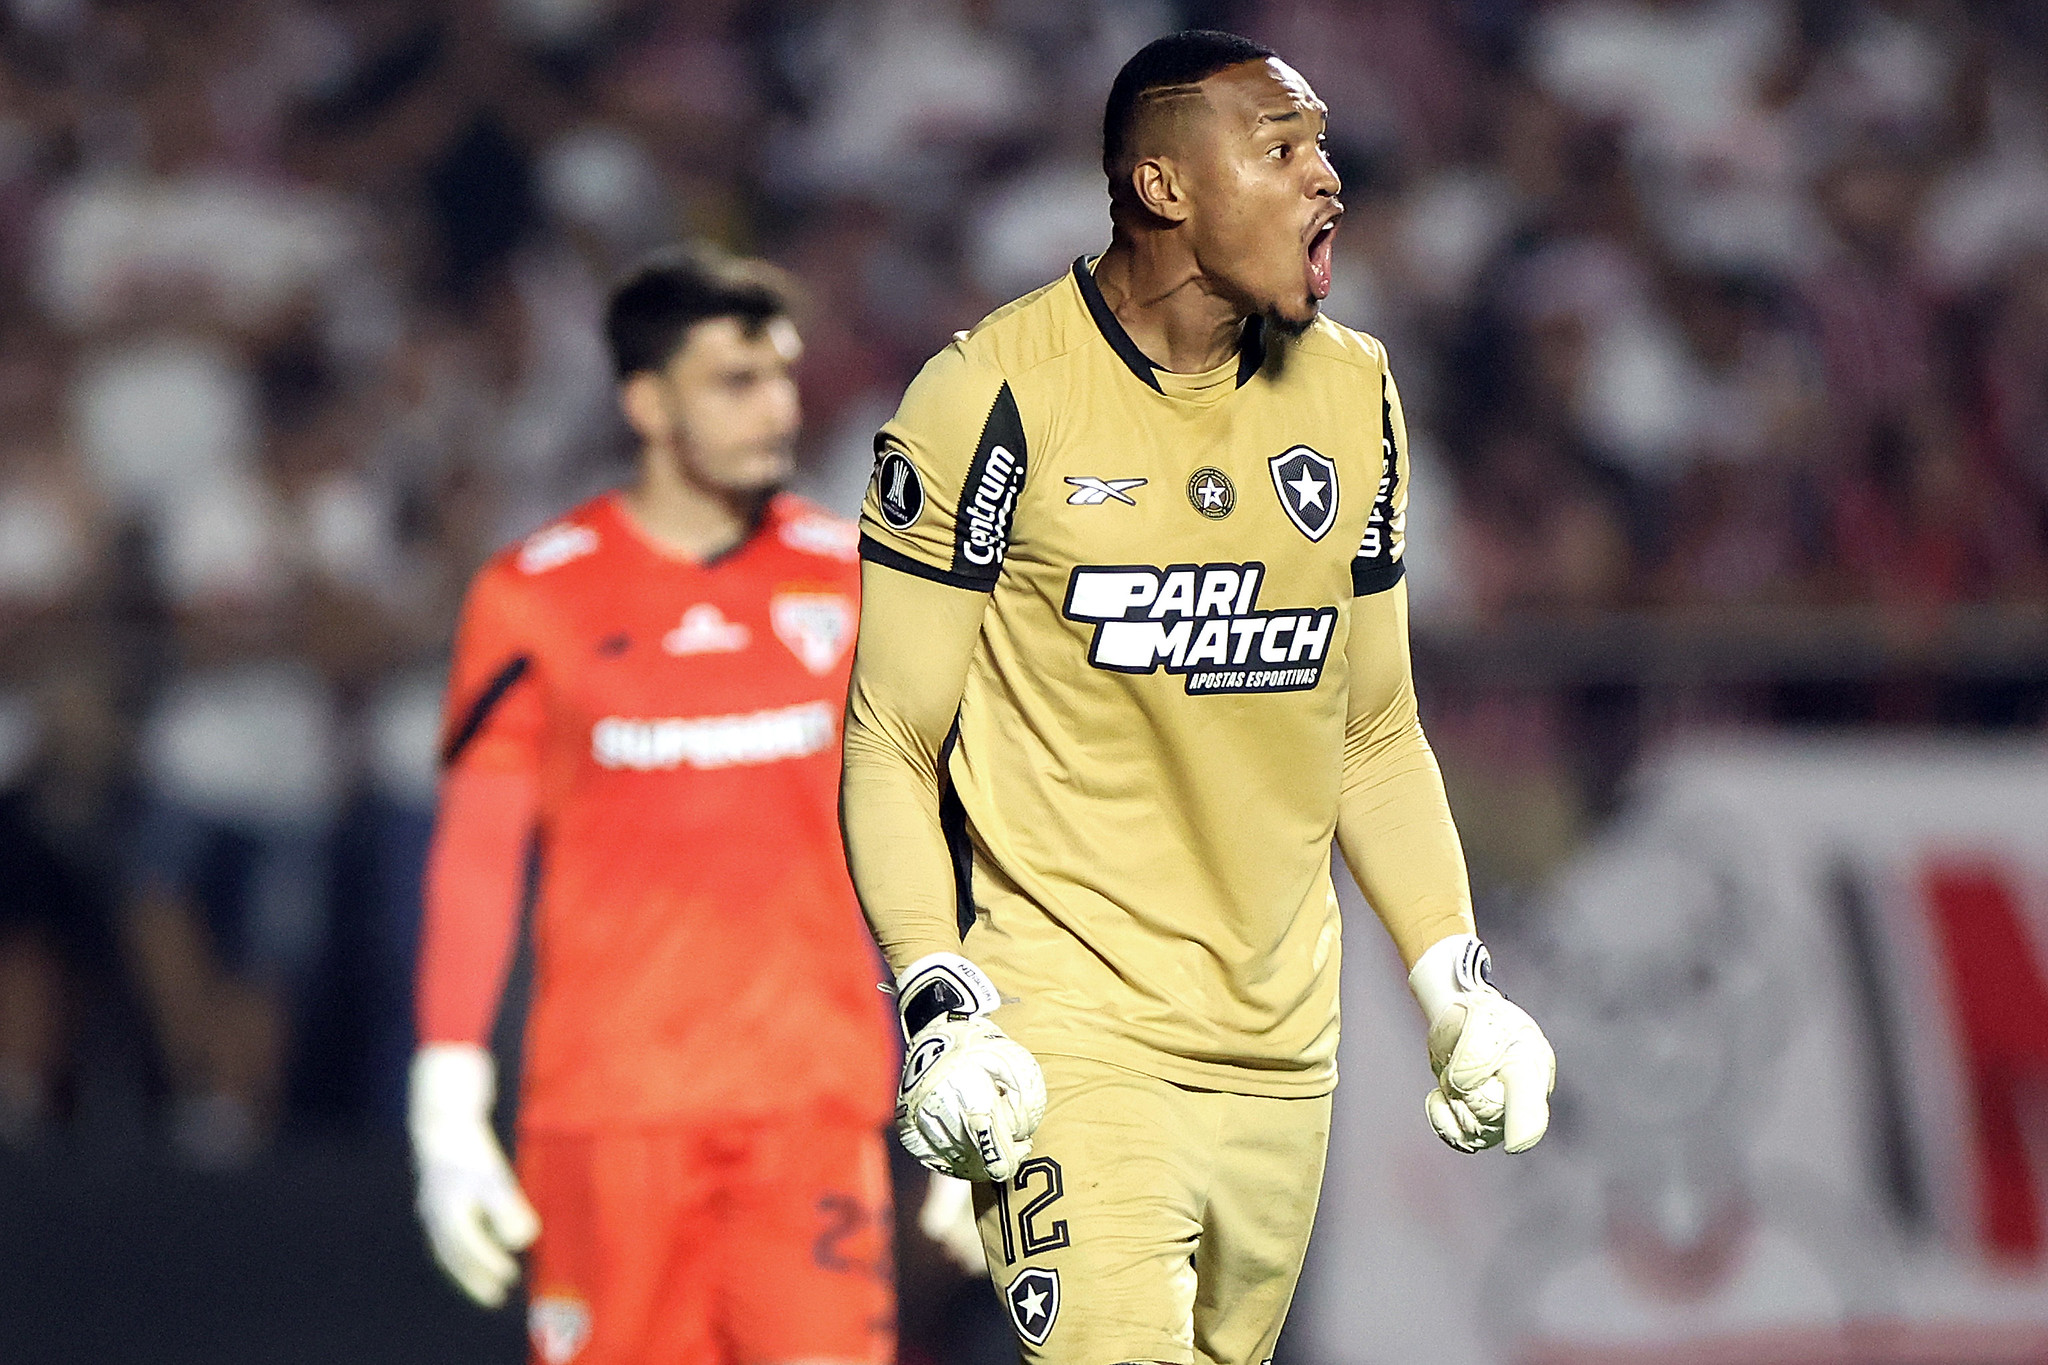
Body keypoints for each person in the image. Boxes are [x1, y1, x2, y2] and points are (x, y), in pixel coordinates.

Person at [841, 30, 1558, 1364]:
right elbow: (892, 735)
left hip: (1285, 1051)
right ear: (1163, 187)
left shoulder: (1353, 392)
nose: (1327, 180)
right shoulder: (988, 398)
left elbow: (1376, 734)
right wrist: (940, 996)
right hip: (1073, 1026)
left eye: (1326, 147)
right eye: (1283, 149)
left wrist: (1458, 984)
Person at [407, 246, 900, 1365]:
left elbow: (938, 830)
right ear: (644, 401)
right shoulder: (533, 598)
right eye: (735, 380)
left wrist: (974, 1047)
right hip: (608, 1111)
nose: (775, 405)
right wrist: (445, 1099)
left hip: (810, 1107)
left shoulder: (854, 583)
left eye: (781, 375)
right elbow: (478, 854)